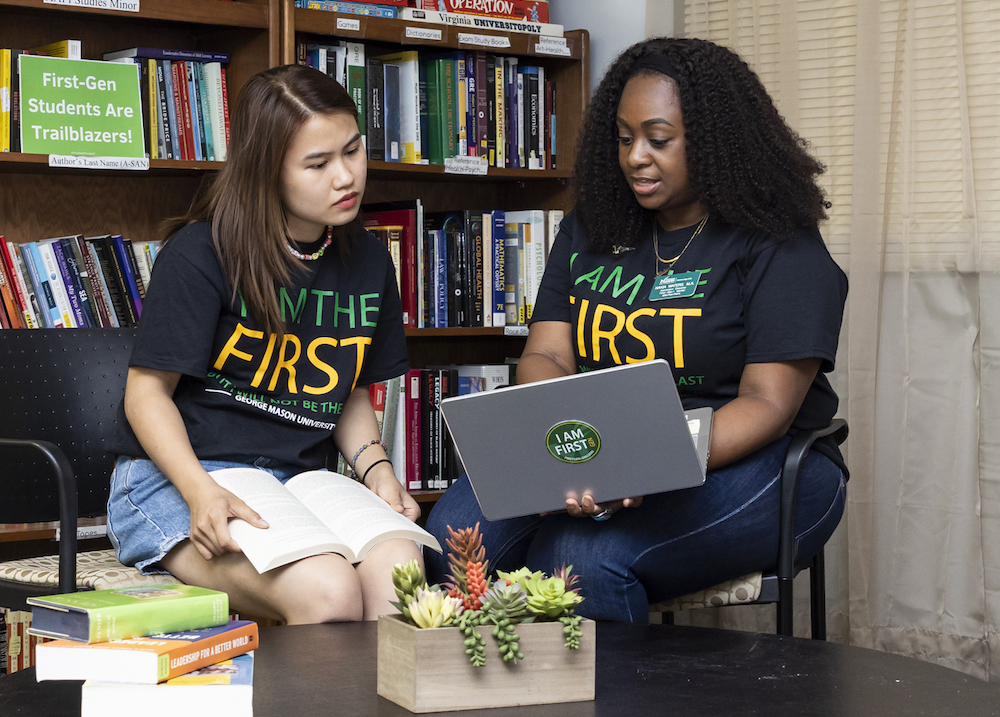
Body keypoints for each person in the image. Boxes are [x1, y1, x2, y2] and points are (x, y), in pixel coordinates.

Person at [425, 37, 849, 622]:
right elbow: (546, 356)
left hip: (759, 464)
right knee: (451, 531)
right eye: (624, 139)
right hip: (601, 448)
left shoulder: (779, 244)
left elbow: (766, 404)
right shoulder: (590, 228)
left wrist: (644, 463)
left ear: (715, 141)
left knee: (578, 556)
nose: (634, 158)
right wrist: (564, 452)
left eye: (658, 139)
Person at [107, 65, 421, 624]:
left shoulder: (369, 261)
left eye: (352, 151)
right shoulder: (201, 253)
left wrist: (379, 476)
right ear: (266, 173)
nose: (345, 177)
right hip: (182, 478)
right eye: (318, 164)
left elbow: (347, 391)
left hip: (300, 483)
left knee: (402, 578)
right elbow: (146, 395)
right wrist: (200, 491)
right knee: (330, 595)